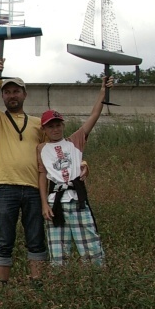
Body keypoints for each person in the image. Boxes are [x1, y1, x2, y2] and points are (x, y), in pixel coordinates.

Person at [0, 58, 47, 284]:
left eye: (16, 91)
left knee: (36, 237)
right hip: (5, 186)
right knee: (4, 238)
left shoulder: (38, 123)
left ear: (25, 94)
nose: (11, 96)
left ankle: (37, 283)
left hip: (34, 188)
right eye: (7, 92)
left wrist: (80, 163)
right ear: (3, 96)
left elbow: (55, 150)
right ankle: (2, 286)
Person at [37, 77, 112, 266]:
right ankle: (61, 280)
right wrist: (44, 204)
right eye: (50, 126)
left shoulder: (75, 141)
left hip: (77, 200)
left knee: (91, 248)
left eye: (58, 125)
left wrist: (103, 91)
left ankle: (96, 277)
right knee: (58, 253)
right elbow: (42, 176)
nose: (55, 129)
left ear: (63, 125)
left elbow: (94, 115)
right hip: (55, 203)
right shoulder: (41, 149)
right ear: (44, 129)